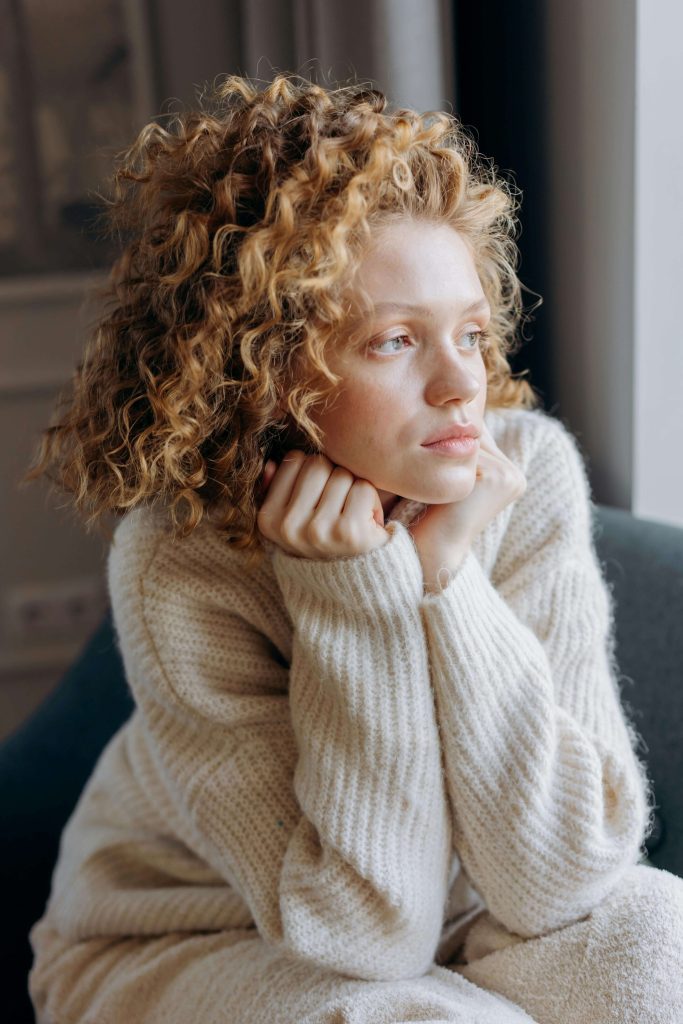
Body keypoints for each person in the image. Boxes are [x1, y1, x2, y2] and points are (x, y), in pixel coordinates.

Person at [23, 71, 683, 1024]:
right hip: (181, 942)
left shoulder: (522, 475)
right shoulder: (183, 565)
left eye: (468, 330)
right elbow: (365, 934)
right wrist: (357, 594)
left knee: (656, 944)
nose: (463, 384)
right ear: (265, 367)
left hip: (465, 916)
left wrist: (446, 579)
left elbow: (564, 882)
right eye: (392, 341)